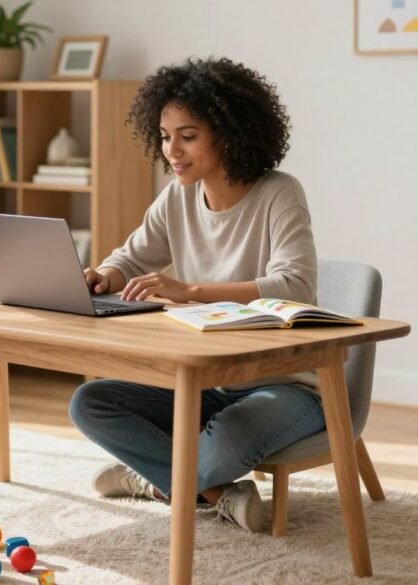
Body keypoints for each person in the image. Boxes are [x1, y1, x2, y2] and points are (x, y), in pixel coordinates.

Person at [69, 57, 325, 534]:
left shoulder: (279, 193)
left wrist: (189, 291)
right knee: (91, 402)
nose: (172, 150)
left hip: (285, 386)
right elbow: (132, 256)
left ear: (228, 133)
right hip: (208, 383)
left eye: (187, 136)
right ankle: (212, 491)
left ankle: (156, 479)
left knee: (229, 435)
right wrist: (102, 275)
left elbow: (296, 286)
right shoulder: (177, 196)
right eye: (165, 136)